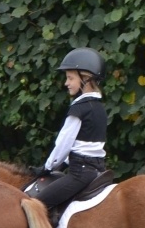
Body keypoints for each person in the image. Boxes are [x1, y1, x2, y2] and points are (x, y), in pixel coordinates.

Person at [33, 48, 109, 214]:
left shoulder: (79, 109)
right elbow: (86, 144)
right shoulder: (99, 108)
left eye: (70, 78)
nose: (66, 83)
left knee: (35, 205)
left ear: (86, 78)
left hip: (79, 174)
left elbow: (63, 145)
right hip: (99, 171)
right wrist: (66, 162)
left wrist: (47, 167)